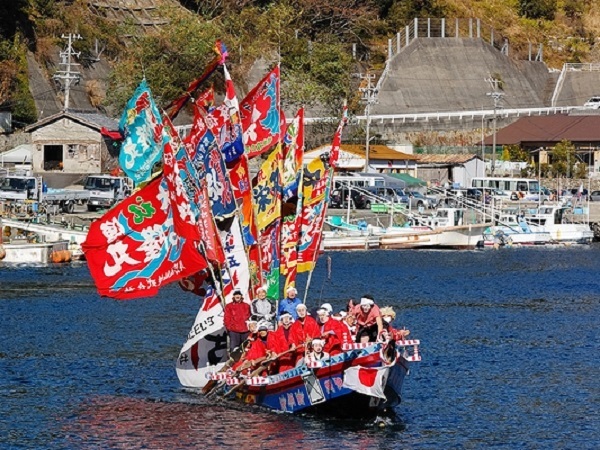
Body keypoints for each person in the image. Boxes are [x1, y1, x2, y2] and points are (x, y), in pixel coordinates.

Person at [223, 289, 251, 353]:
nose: (237, 296)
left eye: (239, 294)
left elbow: (250, 317)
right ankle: (234, 362)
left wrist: (249, 326)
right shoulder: (229, 306)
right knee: (234, 349)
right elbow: (226, 318)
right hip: (234, 331)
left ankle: (245, 361)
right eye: (236, 294)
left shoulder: (246, 305)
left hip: (245, 330)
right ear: (233, 296)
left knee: (246, 347)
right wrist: (229, 328)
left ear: (241, 296)